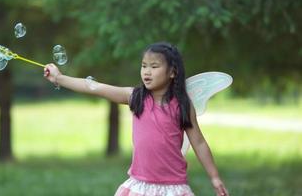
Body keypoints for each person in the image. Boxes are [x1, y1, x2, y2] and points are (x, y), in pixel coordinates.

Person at [43, 42, 229, 196]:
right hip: (140, 186)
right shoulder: (135, 97)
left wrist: (214, 177)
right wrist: (59, 78)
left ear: (172, 72)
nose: (147, 71)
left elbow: (199, 142)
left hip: (173, 188)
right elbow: (94, 86)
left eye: (154, 66)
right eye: (144, 66)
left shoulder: (182, 105)